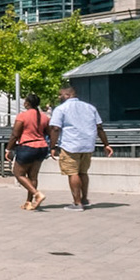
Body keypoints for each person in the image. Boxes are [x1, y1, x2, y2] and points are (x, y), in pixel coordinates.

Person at [45, 82, 111, 210]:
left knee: (72, 173)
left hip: (70, 145)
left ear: (68, 95)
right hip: (87, 145)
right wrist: (106, 144)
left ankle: (77, 203)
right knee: (83, 172)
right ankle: (85, 199)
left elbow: (55, 129)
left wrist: (52, 147)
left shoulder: (61, 109)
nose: (59, 97)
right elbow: (99, 127)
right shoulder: (90, 107)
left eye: (61, 95)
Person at [6, 93, 49, 211]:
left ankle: (37, 194)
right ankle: (28, 202)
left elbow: (15, 134)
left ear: (27, 103)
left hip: (27, 147)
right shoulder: (44, 117)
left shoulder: (22, 116)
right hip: (42, 147)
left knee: (18, 173)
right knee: (33, 176)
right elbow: (48, 132)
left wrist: (8, 149)